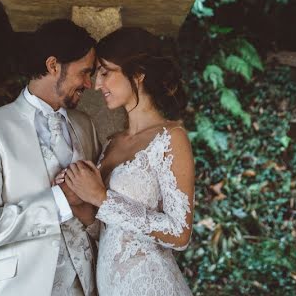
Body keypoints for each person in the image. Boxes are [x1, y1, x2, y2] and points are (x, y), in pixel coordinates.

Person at [0, 19, 103, 295]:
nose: (89, 83)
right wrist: (60, 200)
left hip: (85, 285)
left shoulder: (85, 125)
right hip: (17, 287)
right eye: (84, 73)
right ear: (53, 66)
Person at [60, 27, 195, 296]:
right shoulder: (112, 142)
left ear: (138, 74)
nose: (97, 84)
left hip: (151, 286)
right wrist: (80, 204)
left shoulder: (171, 138)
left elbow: (180, 234)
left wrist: (101, 198)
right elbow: (110, 231)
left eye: (106, 72)